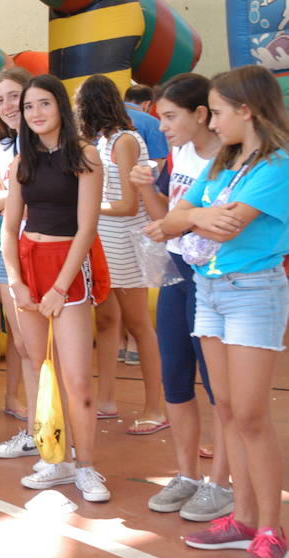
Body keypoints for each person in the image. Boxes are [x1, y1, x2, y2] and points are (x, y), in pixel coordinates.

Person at [162, 65, 289, 558]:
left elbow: (229, 225)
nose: (210, 123)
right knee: (229, 408)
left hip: (253, 294)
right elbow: (174, 219)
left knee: (253, 415)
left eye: (216, 112)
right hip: (210, 292)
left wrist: (191, 216)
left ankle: (272, 533)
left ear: (247, 111)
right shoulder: (222, 164)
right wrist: (194, 216)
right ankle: (243, 517)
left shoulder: (276, 166)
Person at [2, 74, 110, 501]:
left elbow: (87, 228)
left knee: (78, 378)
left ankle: (86, 466)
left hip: (67, 269)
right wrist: (15, 280)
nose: (35, 113)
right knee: (41, 366)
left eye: (43, 104)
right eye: (29, 107)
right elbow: (9, 228)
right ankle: (56, 458)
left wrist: (60, 287)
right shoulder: (20, 162)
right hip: (27, 266)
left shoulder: (84, 155)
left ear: (60, 106)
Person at [129, 73, 232, 522]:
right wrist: (144, 189)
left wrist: (186, 220)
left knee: (219, 387)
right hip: (176, 271)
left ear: (202, 115)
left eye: (170, 117)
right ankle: (187, 475)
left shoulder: (233, 162)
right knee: (175, 376)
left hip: (216, 278)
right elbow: (168, 219)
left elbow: (212, 223)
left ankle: (221, 483)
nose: (163, 126)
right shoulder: (179, 154)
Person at [75, 74, 167, 436]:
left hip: (125, 246)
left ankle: (155, 407)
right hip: (106, 244)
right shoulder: (104, 140)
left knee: (138, 325)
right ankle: (107, 399)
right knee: (107, 322)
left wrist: (89, 206)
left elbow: (129, 205)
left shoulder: (125, 141)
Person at [0, 67, 40, 459]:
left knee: (41, 346)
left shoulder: (44, 145)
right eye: (1, 99)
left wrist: (10, 194)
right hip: (7, 253)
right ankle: (35, 428)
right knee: (23, 345)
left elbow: (46, 196)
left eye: (15, 96)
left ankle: (55, 429)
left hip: (40, 251)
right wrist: (18, 193)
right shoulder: (2, 149)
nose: (8, 106)